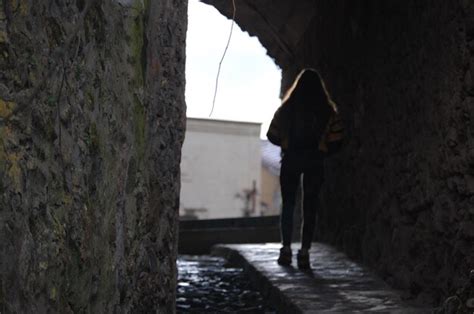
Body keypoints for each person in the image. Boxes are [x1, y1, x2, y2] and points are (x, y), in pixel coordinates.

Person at [267, 68, 342, 269]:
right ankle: (305, 252)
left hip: (291, 159)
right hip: (314, 161)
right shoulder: (328, 111)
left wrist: (287, 143)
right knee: (310, 206)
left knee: (289, 204)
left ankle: (285, 249)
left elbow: (271, 135)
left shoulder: (286, 109)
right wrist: (322, 149)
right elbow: (337, 141)